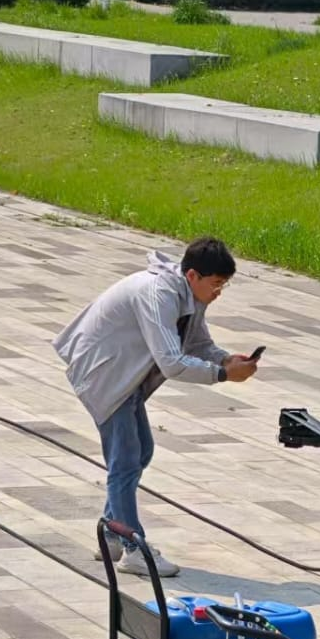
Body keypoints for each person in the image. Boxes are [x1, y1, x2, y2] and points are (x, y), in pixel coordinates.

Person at [54, 237, 258, 577]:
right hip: (104, 372)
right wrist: (222, 374)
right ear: (192, 275)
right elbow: (171, 362)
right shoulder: (158, 294)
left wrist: (225, 358)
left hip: (126, 374)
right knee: (125, 459)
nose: (219, 291)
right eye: (216, 284)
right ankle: (134, 548)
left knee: (141, 451)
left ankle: (112, 532)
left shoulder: (190, 294)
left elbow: (197, 342)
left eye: (224, 285)